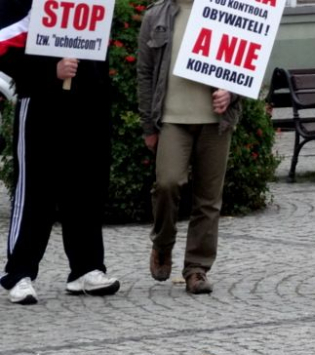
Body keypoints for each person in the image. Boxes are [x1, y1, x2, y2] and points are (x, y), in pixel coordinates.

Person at [137, 0, 241, 295]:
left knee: (208, 200)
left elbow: (245, 65)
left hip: (215, 121)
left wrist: (230, 92)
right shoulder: (156, 15)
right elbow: (144, 74)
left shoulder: (227, 12)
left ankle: (196, 268)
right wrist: (148, 126)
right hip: (171, 119)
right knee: (168, 183)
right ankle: (163, 243)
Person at [0, 52, 120, 305]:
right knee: (35, 189)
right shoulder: (22, 10)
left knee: (86, 188)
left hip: (87, 102)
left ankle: (85, 267)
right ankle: (19, 272)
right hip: (40, 101)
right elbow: (6, 46)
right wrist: (49, 72)